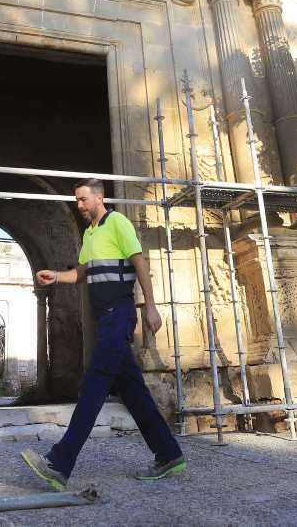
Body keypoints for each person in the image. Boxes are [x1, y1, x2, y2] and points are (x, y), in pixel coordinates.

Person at [20, 178, 184, 490]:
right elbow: (81, 273)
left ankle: (58, 463)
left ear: (99, 197)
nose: (79, 206)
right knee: (134, 394)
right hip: (104, 321)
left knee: (93, 387)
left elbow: (140, 265)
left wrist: (150, 306)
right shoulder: (91, 234)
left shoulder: (118, 222)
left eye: (83, 199)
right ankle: (169, 454)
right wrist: (56, 276)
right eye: (77, 201)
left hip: (119, 315)